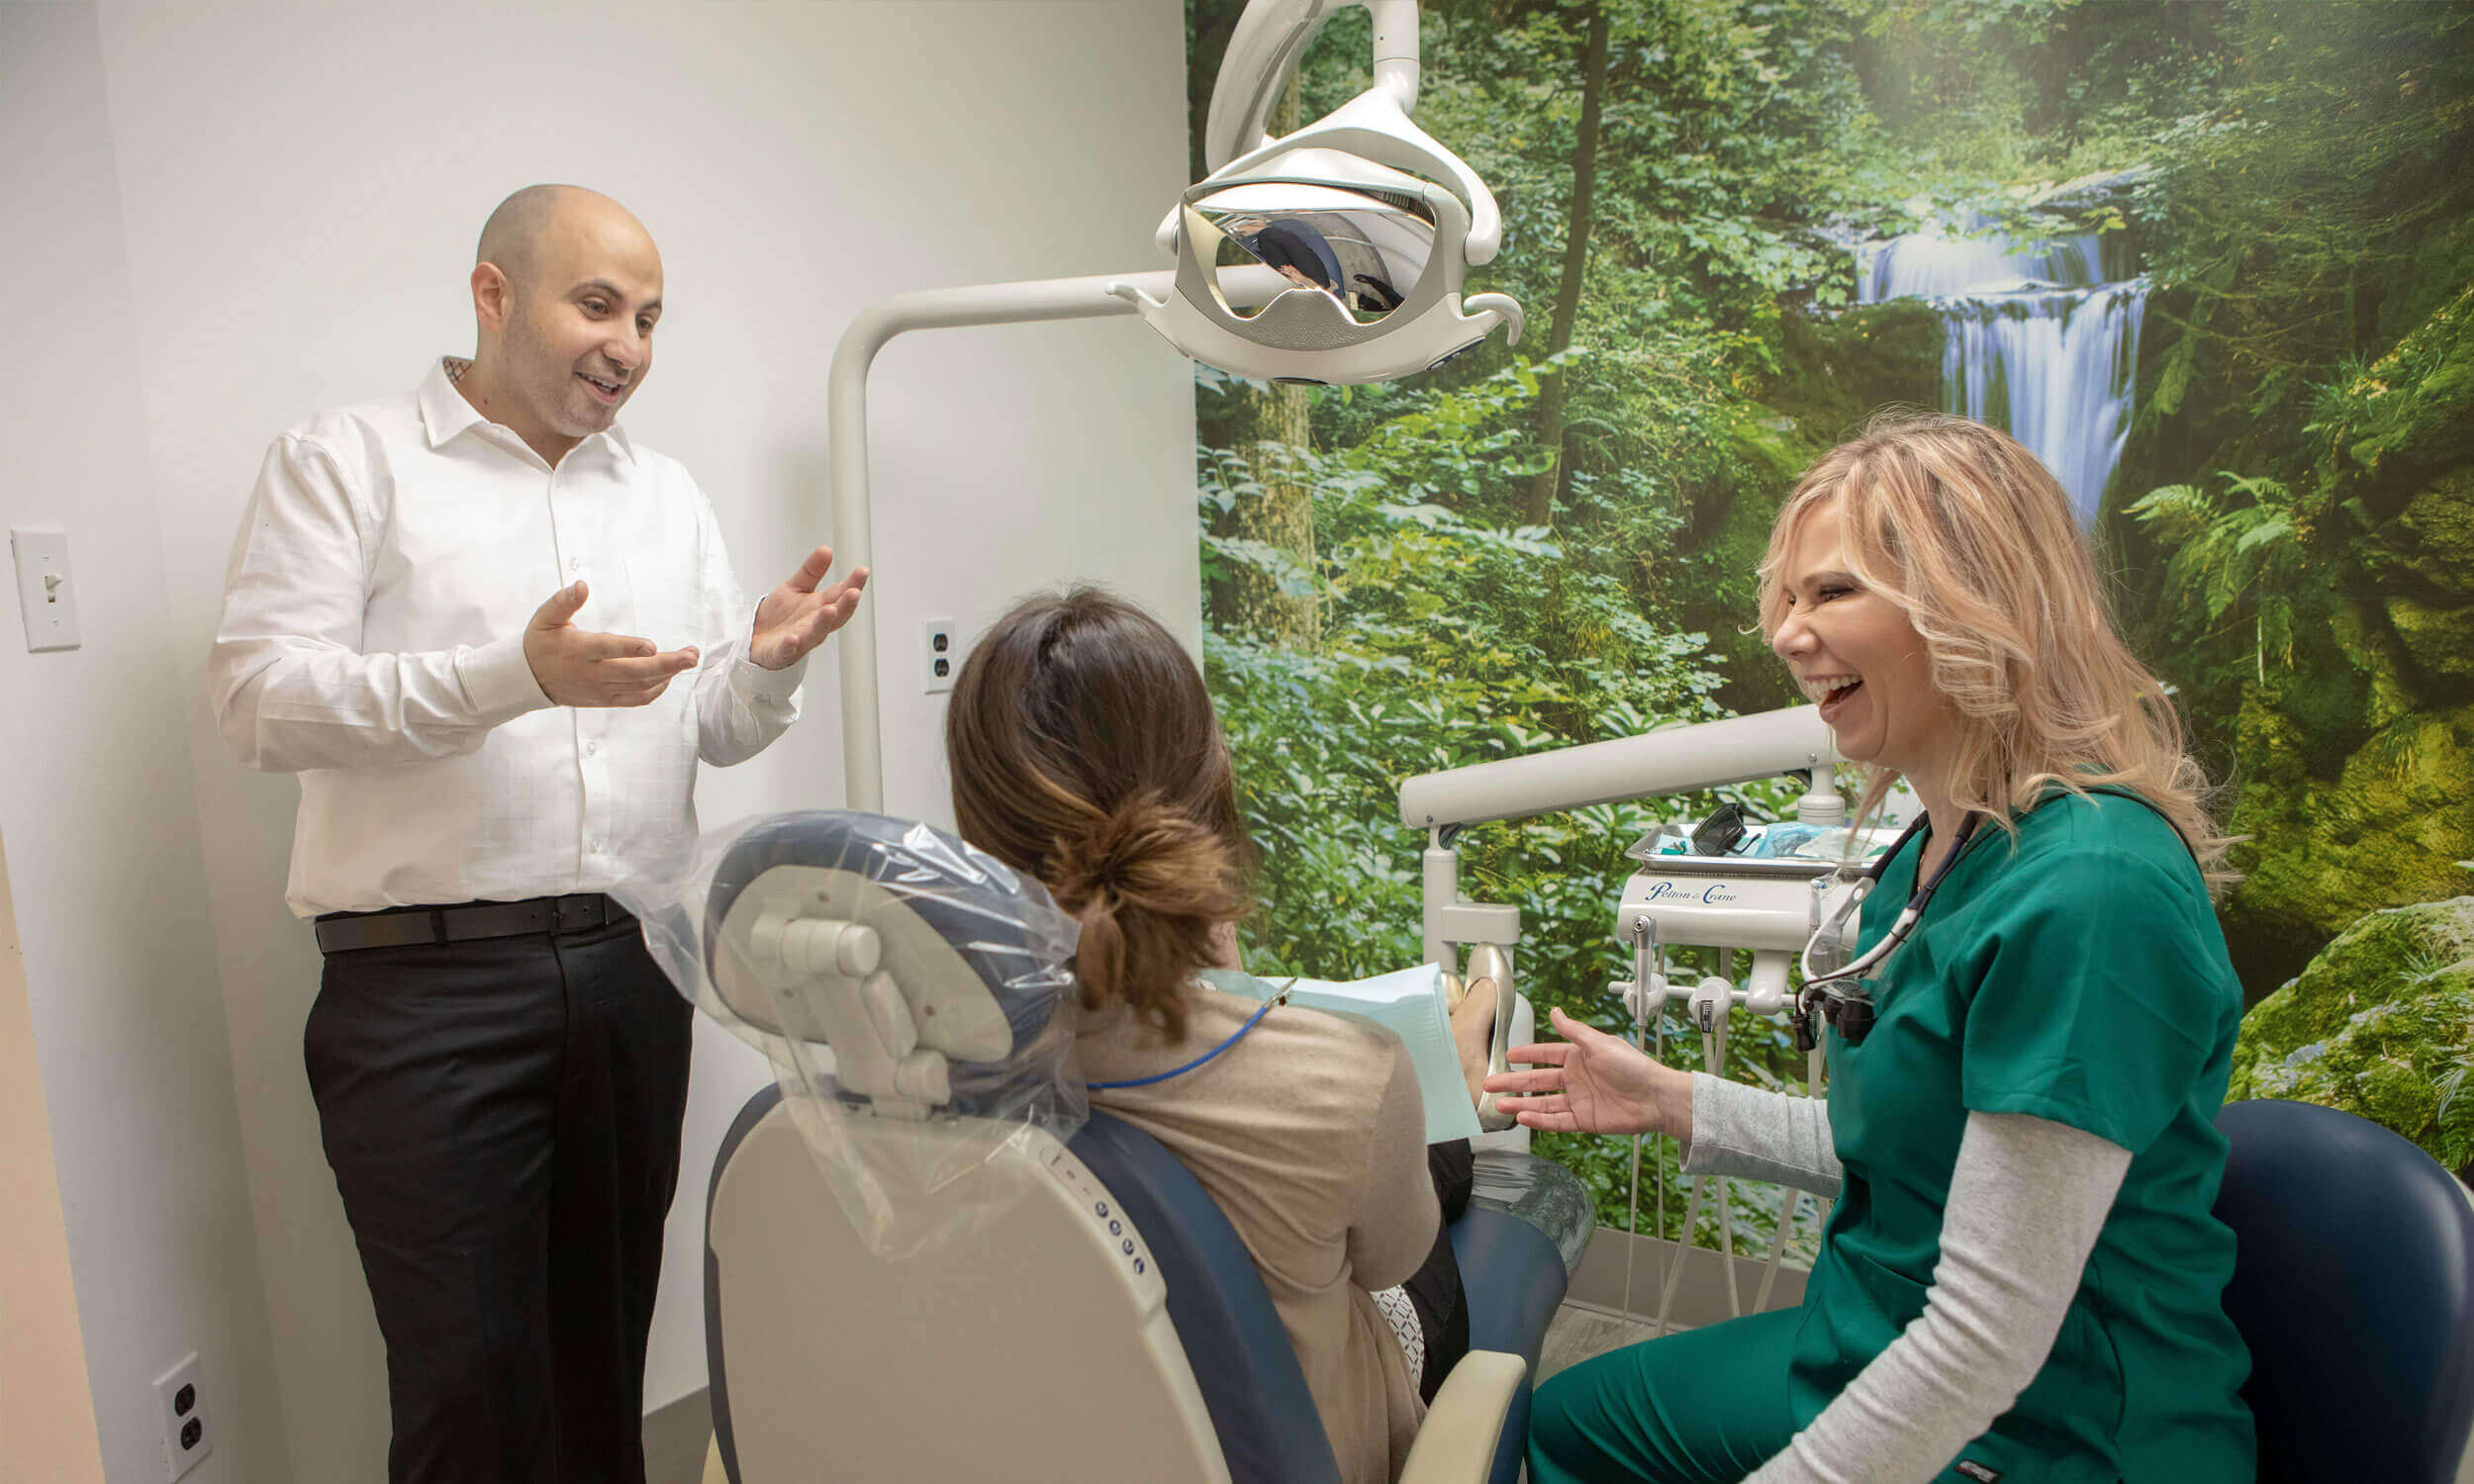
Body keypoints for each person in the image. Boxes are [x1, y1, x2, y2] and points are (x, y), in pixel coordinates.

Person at [206, 184, 868, 1484]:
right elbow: (259, 702)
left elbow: (709, 730)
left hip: (633, 974)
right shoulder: (348, 460)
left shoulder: (665, 496)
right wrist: (514, 677)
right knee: (467, 1383)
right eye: (599, 304)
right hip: (423, 989)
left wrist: (769, 668)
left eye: (651, 317)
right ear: (492, 293)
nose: (629, 344)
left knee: (598, 1359)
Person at [1487, 413, 2255, 1483]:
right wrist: (1674, 1100)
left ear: (1978, 599)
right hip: (1866, 1336)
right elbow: (1914, 1142)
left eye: (1832, 592)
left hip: (2040, 1434)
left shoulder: (2095, 895)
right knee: (1563, 1426)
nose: (1787, 635)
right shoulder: (1938, 850)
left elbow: (1982, 1344)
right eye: (1787, 599)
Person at [943, 586, 1501, 1484]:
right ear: (1212, 785)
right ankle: (1458, 1082)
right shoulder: (1349, 1078)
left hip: (1055, 1426)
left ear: (976, 824)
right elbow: (1393, 1262)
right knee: (1426, 1173)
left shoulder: (911, 1063)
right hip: (1295, 1439)